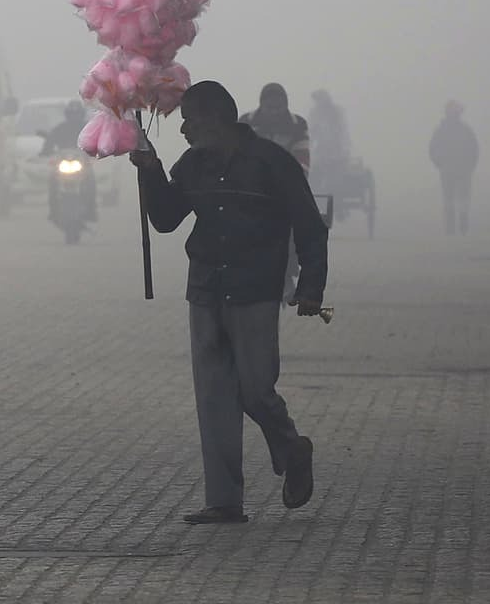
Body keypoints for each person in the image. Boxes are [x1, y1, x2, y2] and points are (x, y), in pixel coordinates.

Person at [130, 80, 325, 524]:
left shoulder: (271, 164)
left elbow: (310, 226)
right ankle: (224, 501)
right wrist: (150, 170)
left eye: (189, 122)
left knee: (256, 390)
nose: (184, 132)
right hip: (205, 289)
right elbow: (165, 219)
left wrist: (312, 286)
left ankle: (292, 446)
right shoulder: (193, 164)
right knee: (214, 397)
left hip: (255, 290)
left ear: (216, 118)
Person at [241, 83, 311, 303]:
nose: (274, 112)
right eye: (270, 108)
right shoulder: (246, 123)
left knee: (288, 228)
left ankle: (288, 273)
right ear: (262, 105)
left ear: (285, 106)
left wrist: (289, 184)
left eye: (278, 108)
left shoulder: (297, 125)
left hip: (285, 188)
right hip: (250, 188)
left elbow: (302, 161)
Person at [41, 100, 97, 223]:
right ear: (67, 115)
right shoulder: (60, 129)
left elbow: (97, 141)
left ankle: (91, 211)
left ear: (81, 114)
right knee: (52, 181)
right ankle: (53, 210)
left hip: (82, 163)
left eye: (76, 114)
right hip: (62, 163)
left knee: (91, 181)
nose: (74, 117)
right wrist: (45, 151)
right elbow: (49, 141)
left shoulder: (88, 128)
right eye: (72, 114)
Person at [429, 100, 478, 236]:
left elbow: (474, 150)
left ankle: (456, 227)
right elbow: (433, 149)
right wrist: (439, 163)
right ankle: (457, 226)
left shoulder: (444, 130)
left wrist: (438, 163)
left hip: (455, 169)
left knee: (453, 198)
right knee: (455, 198)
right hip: (455, 169)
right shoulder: (464, 130)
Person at [307, 89, 350, 192]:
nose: (318, 102)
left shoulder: (336, 113)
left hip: (336, 153)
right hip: (321, 152)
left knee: (335, 179)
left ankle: (335, 195)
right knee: (315, 176)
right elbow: (311, 133)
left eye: (320, 99)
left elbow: (342, 132)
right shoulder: (315, 113)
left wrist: (345, 149)